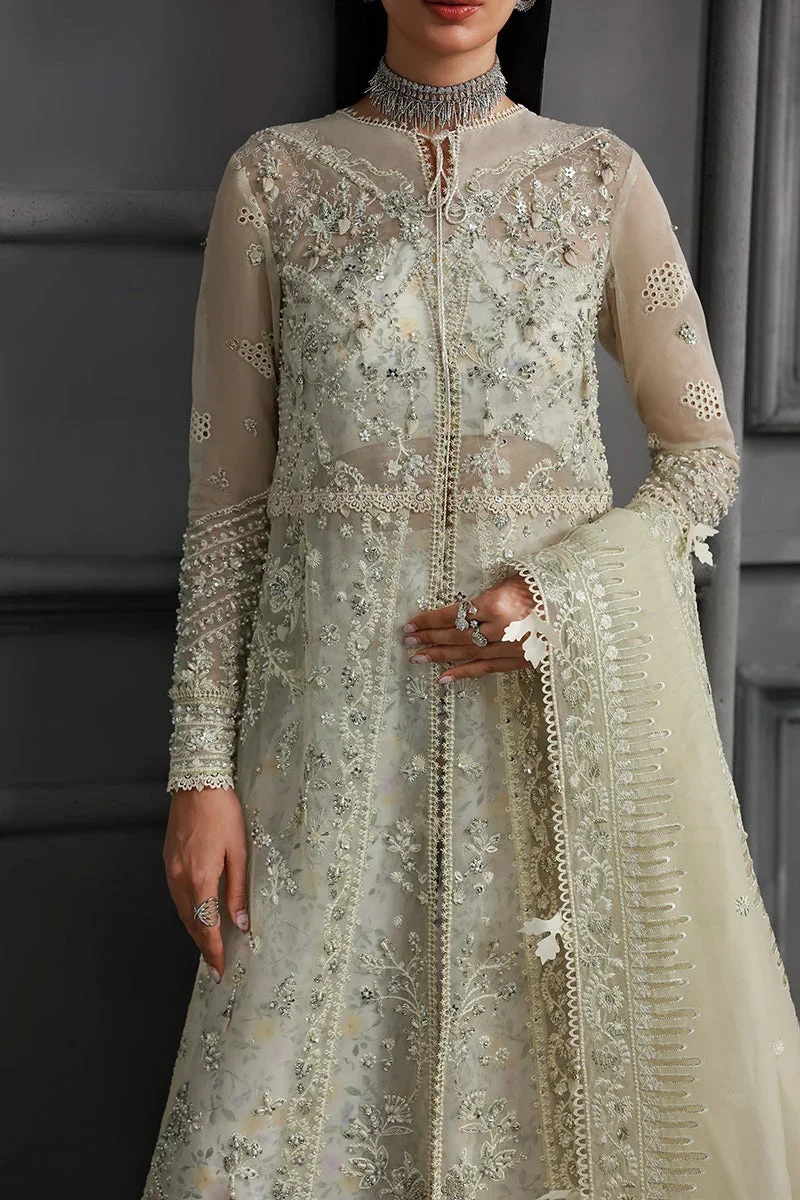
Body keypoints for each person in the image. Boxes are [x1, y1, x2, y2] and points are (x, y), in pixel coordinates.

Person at [141, 2, 800, 1198]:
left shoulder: (597, 180)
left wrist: (555, 598)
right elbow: (228, 509)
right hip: (324, 748)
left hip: (543, 733)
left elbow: (700, 457)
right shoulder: (276, 182)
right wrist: (200, 772)